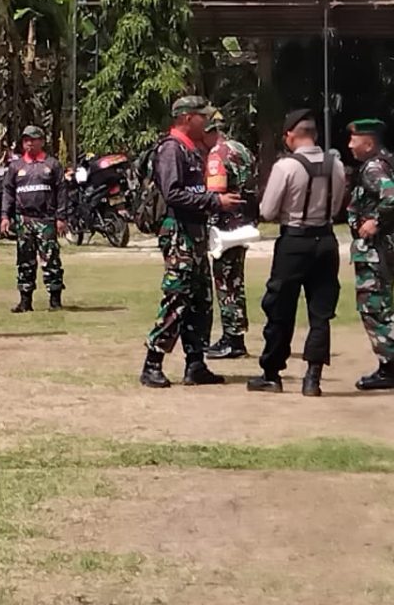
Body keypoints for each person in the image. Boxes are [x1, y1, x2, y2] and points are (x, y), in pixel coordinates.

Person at [140, 96, 242, 388]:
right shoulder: (171, 149)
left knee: (200, 300)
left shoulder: (192, 149)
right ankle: (152, 363)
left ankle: (195, 364)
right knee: (177, 296)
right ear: (187, 118)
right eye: (202, 116)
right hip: (178, 233)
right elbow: (173, 194)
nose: (207, 122)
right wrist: (215, 202)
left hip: (194, 232)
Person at [246, 110, 345, 396]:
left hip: (294, 241)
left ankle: (272, 373)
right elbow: (336, 206)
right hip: (325, 240)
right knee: (321, 312)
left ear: (290, 135)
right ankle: (313, 378)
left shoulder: (286, 167)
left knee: (280, 308)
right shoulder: (336, 165)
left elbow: (267, 211)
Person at [203, 112, 258, 360]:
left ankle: (232, 338)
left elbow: (215, 192)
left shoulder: (217, 154)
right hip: (244, 223)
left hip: (225, 226)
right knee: (236, 279)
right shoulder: (242, 149)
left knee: (225, 280)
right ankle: (236, 334)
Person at [345, 119, 394, 390]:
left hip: (375, 251)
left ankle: (390, 367)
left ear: (369, 142)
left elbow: (392, 197)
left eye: (354, 140)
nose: (349, 145)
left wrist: (376, 221)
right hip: (383, 249)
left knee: (374, 307)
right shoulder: (385, 162)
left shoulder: (374, 167)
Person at [0, 125, 66, 313]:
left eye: (33, 139)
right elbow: (8, 192)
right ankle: (25, 301)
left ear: (42, 141)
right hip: (24, 220)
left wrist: (61, 217)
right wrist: (5, 216)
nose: (29, 143)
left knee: (51, 259)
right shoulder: (16, 167)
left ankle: (55, 300)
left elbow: (62, 192)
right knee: (25, 260)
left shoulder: (52, 165)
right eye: (26, 140)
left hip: (46, 219)